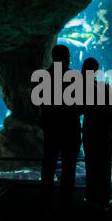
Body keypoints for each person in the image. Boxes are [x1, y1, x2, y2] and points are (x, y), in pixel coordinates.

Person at [38, 45, 82, 210]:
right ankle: (66, 199)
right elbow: (82, 103)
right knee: (69, 165)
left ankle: (46, 197)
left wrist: (40, 118)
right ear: (67, 58)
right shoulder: (74, 77)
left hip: (51, 127)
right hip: (70, 127)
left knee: (48, 163)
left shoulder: (43, 76)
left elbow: (36, 102)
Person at [81, 58, 112, 213]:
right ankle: (105, 201)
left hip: (89, 130)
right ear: (96, 71)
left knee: (90, 164)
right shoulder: (103, 86)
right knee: (104, 165)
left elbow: (79, 109)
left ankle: (90, 197)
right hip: (104, 130)